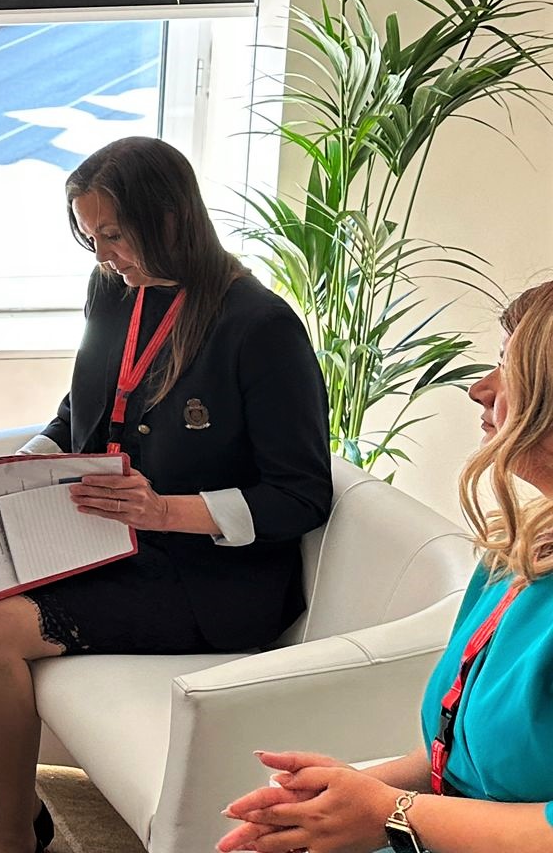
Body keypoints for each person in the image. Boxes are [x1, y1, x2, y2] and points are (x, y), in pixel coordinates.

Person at [0, 136, 333, 853]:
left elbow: (301, 496)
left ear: (169, 218)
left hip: (210, 576)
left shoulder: (259, 327)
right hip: (111, 540)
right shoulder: (113, 291)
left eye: (113, 235)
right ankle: (21, 802)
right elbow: (80, 414)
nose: (103, 255)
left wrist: (163, 510)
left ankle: (12, 834)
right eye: (90, 237)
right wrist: (9, 478)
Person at [219, 281, 553, 853]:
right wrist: (343, 799)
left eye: (511, 367)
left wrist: (388, 812)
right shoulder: (518, 553)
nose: (479, 389)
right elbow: (453, 759)